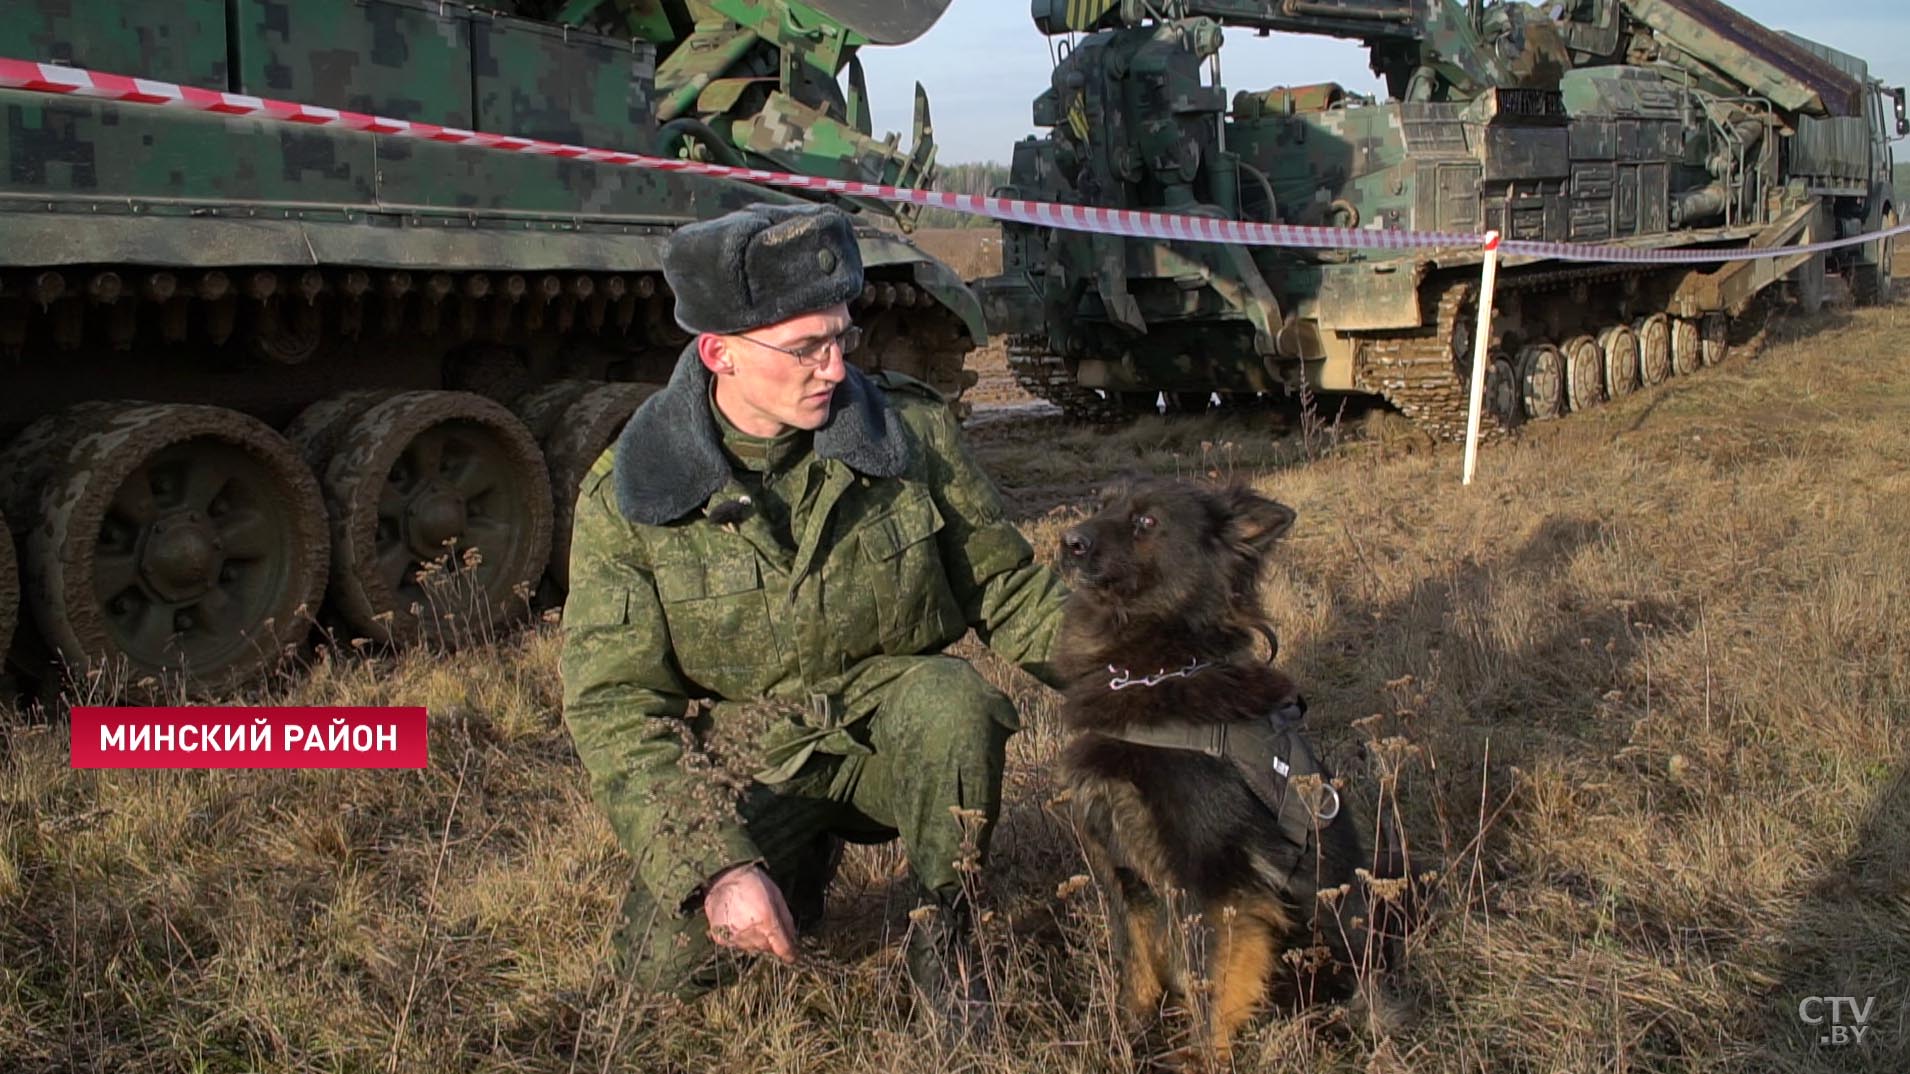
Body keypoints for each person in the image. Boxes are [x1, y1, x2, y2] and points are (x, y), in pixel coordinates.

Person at [559, 202, 1069, 1035]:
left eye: (843, 338)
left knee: (952, 701)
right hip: (754, 754)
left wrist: (1145, 675)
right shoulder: (634, 494)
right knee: (661, 974)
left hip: (893, 727)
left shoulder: (904, 433)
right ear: (718, 352)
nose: (834, 368)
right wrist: (717, 867)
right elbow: (614, 705)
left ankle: (948, 931)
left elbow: (1007, 590)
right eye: (805, 347)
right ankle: (788, 860)